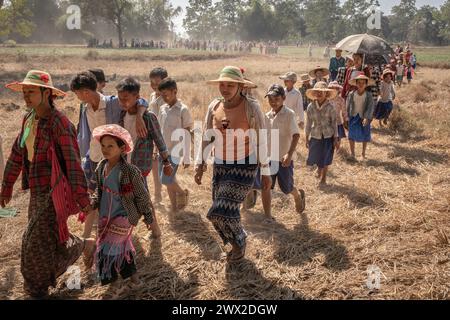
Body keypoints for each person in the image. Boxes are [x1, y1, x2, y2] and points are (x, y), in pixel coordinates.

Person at [1, 70, 95, 298]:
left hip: (54, 192)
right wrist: (7, 186)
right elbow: (17, 153)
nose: (26, 96)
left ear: (47, 93)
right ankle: (85, 245)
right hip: (36, 188)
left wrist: (83, 199)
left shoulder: (60, 124)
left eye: (31, 91)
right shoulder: (29, 118)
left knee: (33, 243)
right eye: (25, 92)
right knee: (46, 241)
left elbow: (73, 165)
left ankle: (36, 288)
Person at [194, 66, 271, 262]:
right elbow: (206, 136)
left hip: (245, 164)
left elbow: (261, 139)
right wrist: (200, 163)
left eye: (230, 85)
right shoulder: (214, 107)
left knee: (220, 210)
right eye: (222, 84)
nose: (225, 88)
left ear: (240, 86)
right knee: (222, 213)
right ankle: (237, 242)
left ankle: (239, 242)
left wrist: (266, 171)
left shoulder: (251, 108)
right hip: (220, 164)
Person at [71, 71, 149, 239]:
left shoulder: (112, 103)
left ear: (86, 91)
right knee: (92, 195)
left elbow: (141, 100)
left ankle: (133, 228)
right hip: (93, 156)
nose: (77, 96)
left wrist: (140, 116)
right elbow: (86, 133)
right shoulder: (84, 108)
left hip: (112, 159)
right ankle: (87, 236)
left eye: (78, 93)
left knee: (122, 196)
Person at [90, 125, 152, 294]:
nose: (105, 149)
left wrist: (148, 216)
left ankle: (113, 286)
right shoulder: (101, 167)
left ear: (122, 148)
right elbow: (99, 191)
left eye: (110, 146)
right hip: (105, 217)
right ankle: (135, 280)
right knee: (121, 249)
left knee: (107, 249)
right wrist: (93, 202)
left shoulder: (129, 171)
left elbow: (142, 195)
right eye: (103, 145)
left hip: (123, 217)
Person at [116, 77, 174, 238]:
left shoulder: (148, 118)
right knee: (126, 198)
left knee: (144, 198)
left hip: (140, 166)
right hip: (124, 164)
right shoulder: (122, 115)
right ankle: (129, 229)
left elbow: (159, 140)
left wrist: (167, 162)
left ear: (137, 97)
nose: (122, 102)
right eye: (120, 98)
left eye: (126, 98)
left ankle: (155, 229)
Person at [253, 84, 306, 220]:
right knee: (266, 186)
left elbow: (296, 135)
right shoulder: (266, 116)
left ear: (283, 98)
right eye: (270, 99)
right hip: (269, 158)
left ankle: (297, 196)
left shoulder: (289, 114)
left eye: (276, 99)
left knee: (286, 188)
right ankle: (268, 216)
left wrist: (289, 154)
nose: (273, 102)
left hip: (283, 159)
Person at [157, 78, 193, 212]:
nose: (164, 97)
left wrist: (187, 156)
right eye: (162, 95)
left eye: (166, 94)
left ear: (175, 91)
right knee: (169, 180)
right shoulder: (162, 109)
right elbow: (159, 131)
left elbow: (187, 133)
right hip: (163, 151)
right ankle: (174, 208)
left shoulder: (183, 110)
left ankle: (183, 193)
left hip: (175, 152)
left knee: (165, 180)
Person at [305, 82, 339, 186]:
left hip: (328, 136)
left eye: (322, 91)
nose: (319, 93)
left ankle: (324, 177)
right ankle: (319, 169)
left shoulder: (331, 106)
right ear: (314, 93)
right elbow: (309, 122)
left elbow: (334, 122)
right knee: (315, 156)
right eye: (317, 91)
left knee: (326, 157)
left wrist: (336, 138)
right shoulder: (311, 106)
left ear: (326, 94)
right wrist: (306, 137)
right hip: (315, 135)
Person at [149, 67, 169, 204]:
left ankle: (175, 192)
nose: (154, 85)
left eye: (157, 82)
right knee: (154, 165)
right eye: (152, 82)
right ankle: (157, 193)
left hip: (164, 136)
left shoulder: (167, 98)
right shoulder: (152, 96)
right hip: (152, 136)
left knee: (165, 167)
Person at [346, 72, 375, 160]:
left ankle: (363, 153)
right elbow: (348, 105)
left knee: (365, 134)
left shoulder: (369, 95)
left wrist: (367, 117)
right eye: (359, 83)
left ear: (366, 84)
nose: (361, 84)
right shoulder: (351, 94)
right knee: (351, 135)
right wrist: (346, 117)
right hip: (353, 116)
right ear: (356, 84)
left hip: (364, 117)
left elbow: (370, 107)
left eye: (363, 83)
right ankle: (352, 153)